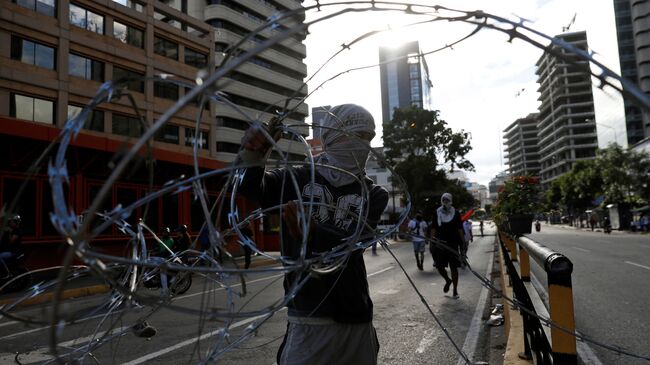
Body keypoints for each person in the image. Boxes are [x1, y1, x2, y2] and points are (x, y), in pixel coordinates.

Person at [237, 104, 388, 364]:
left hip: (356, 314)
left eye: (367, 138)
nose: (361, 144)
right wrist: (255, 153)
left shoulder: (374, 194)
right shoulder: (297, 177)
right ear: (329, 137)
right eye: (353, 136)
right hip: (309, 312)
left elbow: (354, 242)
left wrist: (312, 231)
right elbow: (252, 190)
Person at [430, 193, 464, 299]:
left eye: (447, 200)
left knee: (454, 268)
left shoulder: (456, 213)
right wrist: (432, 241)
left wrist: (463, 243)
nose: (445, 202)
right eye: (443, 200)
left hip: (453, 244)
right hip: (440, 244)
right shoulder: (437, 212)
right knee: (439, 266)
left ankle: (455, 290)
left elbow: (459, 229)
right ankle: (447, 280)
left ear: (450, 200)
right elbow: (434, 228)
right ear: (441, 201)